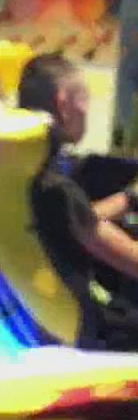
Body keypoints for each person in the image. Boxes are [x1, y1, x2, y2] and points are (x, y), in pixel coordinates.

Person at [20, 54, 138, 344]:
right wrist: (131, 198)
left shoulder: (26, 174)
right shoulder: (55, 188)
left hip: (40, 314)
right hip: (91, 331)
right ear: (63, 105)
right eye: (84, 98)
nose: (88, 109)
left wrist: (128, 198)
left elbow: (77, 220)